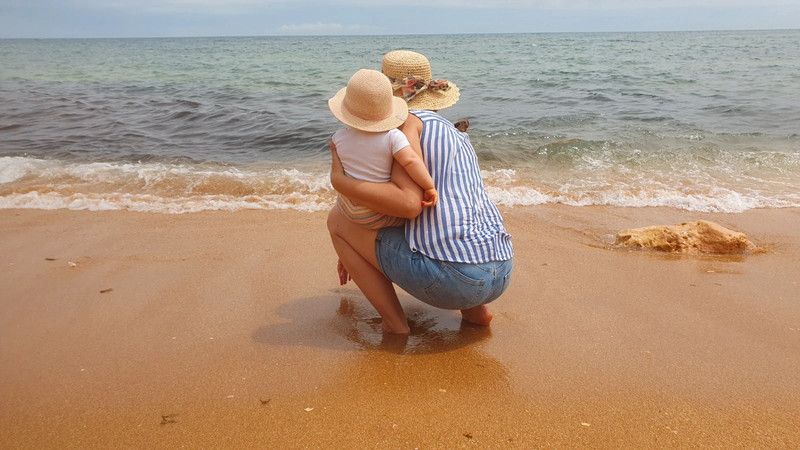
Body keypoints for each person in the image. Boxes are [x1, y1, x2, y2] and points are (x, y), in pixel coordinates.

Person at [327, 50, 513, 335]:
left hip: (455, 281)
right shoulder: (454, 132)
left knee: (336, 220)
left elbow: (409, 205)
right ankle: (477, 312)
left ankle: (394, 324)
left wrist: (341, 184)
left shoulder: (405, 128)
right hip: (501, 269)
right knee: (449, 223)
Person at [327, 68, 438, 229]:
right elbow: (411, 161)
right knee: (409, 222)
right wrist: (429, 186)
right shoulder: (393, 137)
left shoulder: (338, 137)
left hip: (347, 206)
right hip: (379, 212)